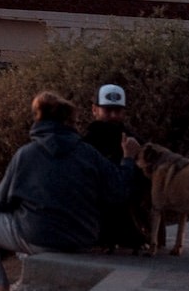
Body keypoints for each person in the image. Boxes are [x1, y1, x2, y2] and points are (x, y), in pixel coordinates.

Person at [0, 92, 139, 291]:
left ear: (39, 120)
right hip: (82, 238)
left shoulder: (26, 154)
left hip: (38, 237)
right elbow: (119, 191)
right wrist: (128, 159)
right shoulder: (88, 153)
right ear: (71, 122)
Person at [82, 84, 147, 252]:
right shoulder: (86, 142)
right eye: (107, 110)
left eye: (117, 111)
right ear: (94, 110)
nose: (113, 116)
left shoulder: (133, 139)